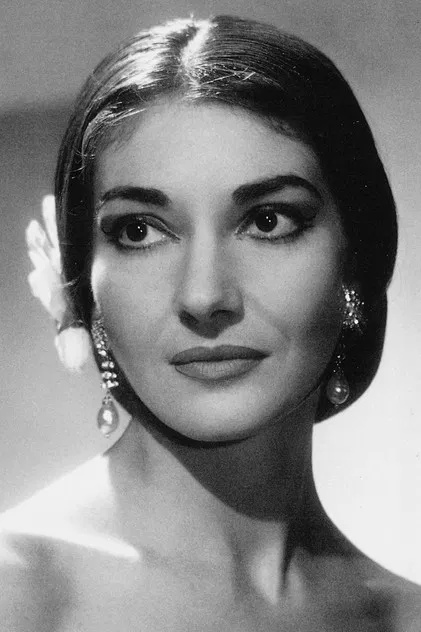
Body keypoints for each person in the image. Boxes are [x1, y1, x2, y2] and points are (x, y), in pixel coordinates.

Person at [1, 14, 420, 631]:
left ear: (356, 260)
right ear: (83, 282)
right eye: (139, 231)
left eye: (269, 221)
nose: (204, 296)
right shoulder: (19, 594)